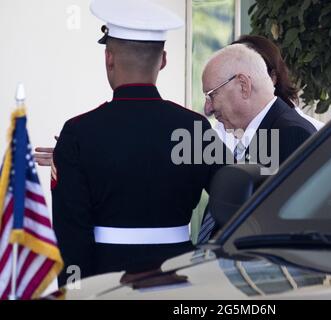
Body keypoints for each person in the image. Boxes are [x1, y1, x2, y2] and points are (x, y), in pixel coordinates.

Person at [52, 0, 223, 285]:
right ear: (164, 60)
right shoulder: (194, 128)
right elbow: (232, 193)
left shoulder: (78, 132)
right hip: (180, 276)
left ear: (109, 58)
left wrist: (75, 288)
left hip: (105, 279)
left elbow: (72, 232)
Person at [197, 43, 317, 243]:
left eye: (212, 94)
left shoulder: (292, 134)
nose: (207, 108)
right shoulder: (266, 129)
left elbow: (286, 229)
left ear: (243, 85)